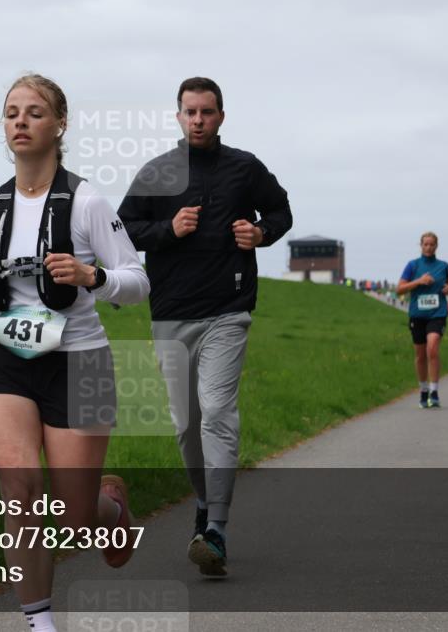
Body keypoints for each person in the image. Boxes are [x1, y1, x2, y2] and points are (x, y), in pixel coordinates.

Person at [0, 74, 150, 632]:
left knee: (76, 522)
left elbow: (137, 282)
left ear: (59, 125)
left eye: (34, 112)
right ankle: (40, 622)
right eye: (12, 112)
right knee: (20, 487)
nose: (21, 121)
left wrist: (92, 276)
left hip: (81, 363)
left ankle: (109, 508)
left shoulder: (87, 202)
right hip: (5, 360)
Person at [117, 76, 292, 578]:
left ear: (221, 116)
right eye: (190, 112)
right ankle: (202, 502)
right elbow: (123, 229)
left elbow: (281, 210)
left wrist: (260, 232)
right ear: (178, 116)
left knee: (216, 410)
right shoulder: (157, 173)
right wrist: (168, 230)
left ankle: (215, 527)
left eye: (207, 112)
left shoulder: (244, 167)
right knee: (185, 425)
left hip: (227, 310)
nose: (198, 120)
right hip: (171, 312)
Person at [396, 232, 448, 408]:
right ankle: (423, 390)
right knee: (420, 355)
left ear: (436, 246)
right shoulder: (412, 265)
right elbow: (399, 289)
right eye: (425, 244)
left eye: (431, 244)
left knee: (433, 348)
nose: (428, 247)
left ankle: (434, 392)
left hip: (437, 314)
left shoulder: (443, 266)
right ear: (421, 245)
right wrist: (419, 281)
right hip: (418, 315)